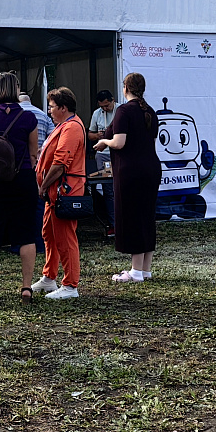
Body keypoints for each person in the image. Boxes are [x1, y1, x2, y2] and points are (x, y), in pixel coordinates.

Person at [0, 71, 40, 306]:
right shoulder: (28, 118)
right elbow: (33, 153)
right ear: (16, 89)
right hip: (22, 178)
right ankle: (26, 287)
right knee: (26, 233)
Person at [95, 72, 162, 283]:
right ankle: (145, 269)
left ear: (126, 88)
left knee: (132, 217)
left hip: (131, 171)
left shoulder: (124, 111)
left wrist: (104, 142)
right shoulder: (150, 111)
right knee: (146, 217)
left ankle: (135, 271)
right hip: (151, 168)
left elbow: (119, 142)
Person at [33, 87, 85, 300]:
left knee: (65, 237)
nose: (49, 111)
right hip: (55, 192)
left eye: (52, 107)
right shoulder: (64, 126)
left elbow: (61, 163)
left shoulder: (71, 128)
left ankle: (71, 285)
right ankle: (49, 276)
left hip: (63, 191)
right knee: (49, 233)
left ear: (63, 108)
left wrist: (43, 185)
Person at [89, 90, 116, 173]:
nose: (104, 109)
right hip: (102, 153)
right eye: (102, 107)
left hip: (117, 151)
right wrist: (97, 135)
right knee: (103, 176)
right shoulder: (97, 113)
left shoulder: (120, 110)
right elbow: (90, 135)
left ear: (113, 100)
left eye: (107, 106)